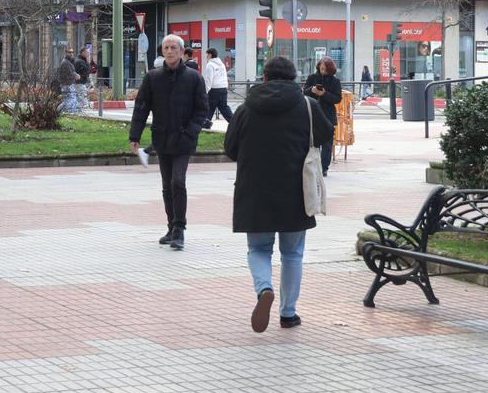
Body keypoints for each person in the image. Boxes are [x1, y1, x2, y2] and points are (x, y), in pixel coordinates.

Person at [224, 55, 334, 333]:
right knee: (293, 254)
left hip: (254, 189)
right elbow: (324, 134)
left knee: (259, 249)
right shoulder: (306, 105)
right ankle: (288, 313)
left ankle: (264, 290)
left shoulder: (246, 108)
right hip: (295, 190)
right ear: (294, 78)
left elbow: (230, 148)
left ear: (264, 77)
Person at [129, 34, 209, 250]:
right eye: (166, 47)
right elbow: (142, 107)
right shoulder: (153, 78)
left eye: (174, 47)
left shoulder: (194, 78)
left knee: (178, 182)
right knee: (166, 185)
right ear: (162, 51)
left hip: (184, 140)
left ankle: (179, 228)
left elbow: (202, 110)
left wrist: (191, 132)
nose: (170, 51)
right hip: (162, 138)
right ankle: (170, 226)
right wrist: (135, 136)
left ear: (182, 51)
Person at [303, 57, 343, 178]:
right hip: (312, 115)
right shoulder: (312, 78)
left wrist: (324, 94)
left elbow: (337, 98)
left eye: (325, 69)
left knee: (327, 144)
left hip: (328, 115)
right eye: (321, 69)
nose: (323, 71)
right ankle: (312, 166)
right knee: (312, 142)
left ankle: (324, 167)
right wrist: (312, 90)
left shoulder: (335, 81)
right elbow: (304, 92)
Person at [202, 47, 234, 128]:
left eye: (207, 54)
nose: (206, 56)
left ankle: (206, 124)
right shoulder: (222, 64)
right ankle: (235, 123)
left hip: (214, 90)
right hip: (223, 88)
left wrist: (205, 92)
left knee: (209, 107)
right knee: (224, 108)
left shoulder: (210, 65)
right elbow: (224, 76)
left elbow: (209, 80)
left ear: (210, 55)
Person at [56, 48, 80, 113]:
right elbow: (70, 73)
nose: (71, 54)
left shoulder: (68, 62)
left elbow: (71, 72)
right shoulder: (65, 62)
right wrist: (76, 76)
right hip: (67, 85)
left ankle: (58, 111)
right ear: (66, 53)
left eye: (72, 52)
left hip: (68, 84)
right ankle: (69, 112)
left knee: (67, 100)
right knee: (70, 99)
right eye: (69, 52)